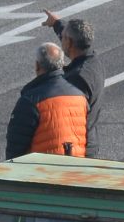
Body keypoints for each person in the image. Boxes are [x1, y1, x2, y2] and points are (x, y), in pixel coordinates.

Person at [5, 43, 90, 159]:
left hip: (43, 172)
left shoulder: (30, 101)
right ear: (62, 64)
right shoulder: (80, 97)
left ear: (37, 66)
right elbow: (90, 140)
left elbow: (15, 149)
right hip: (75, 171)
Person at [43, 11, 102, 151]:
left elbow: (68, 117)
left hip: (79, 147)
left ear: (69, 42)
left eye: (63, 38)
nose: (61, 40)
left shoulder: (77, 78)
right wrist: (57, 24)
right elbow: (72, 36)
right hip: (89, 140)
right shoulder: (93, 60)